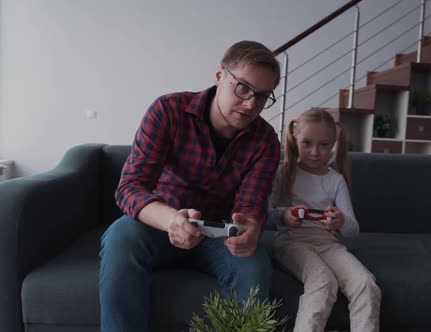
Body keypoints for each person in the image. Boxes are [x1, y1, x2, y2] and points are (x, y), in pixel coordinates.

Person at [99, 40, 281, 332]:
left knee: (254, 263)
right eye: (243, 88)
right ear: (220, 75)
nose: (250, 104)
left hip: (220, 234)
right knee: (121, 235)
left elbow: (251, 205)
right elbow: (130, 187)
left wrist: (251, 228)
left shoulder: (266, 140)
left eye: (262, 97)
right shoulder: (168, 110)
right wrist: (173, 220)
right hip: (160, 223)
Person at [268, 108, 381, 332]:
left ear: (333, 145)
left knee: (366, 284)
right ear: (295, 138)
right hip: (291, 241)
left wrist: (340, 221)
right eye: (307, 143)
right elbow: (265, 214)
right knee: (323, 282)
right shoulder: (283, 172)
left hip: (327, 243)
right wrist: (284, 214)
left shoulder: (335, 180)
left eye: (323, 145)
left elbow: (353, 230)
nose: (314, 152)